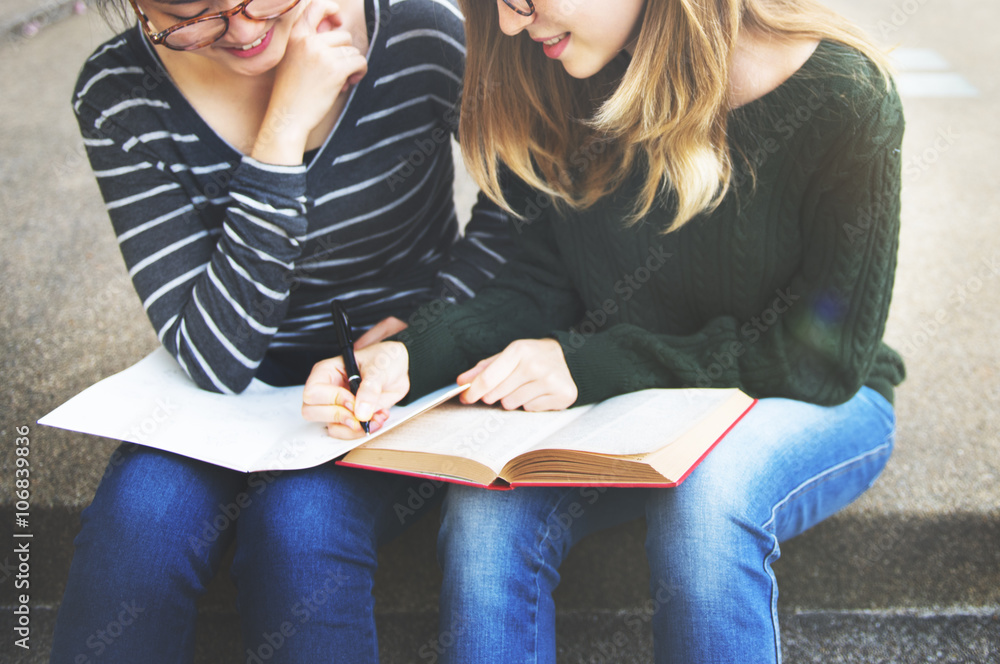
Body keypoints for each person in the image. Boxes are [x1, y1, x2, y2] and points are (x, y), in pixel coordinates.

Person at [302, 0, 907, 661]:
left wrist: (589, 365)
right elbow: (535, 284)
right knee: (485, 511)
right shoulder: (557, 69)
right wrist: (408, 357)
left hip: (804, 395)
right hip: (626, 404)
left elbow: (822, 359)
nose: (507, 25)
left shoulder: (843, 96)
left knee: (707, 503)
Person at [49, 0, 516, 661]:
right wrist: (282, 135)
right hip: (223, 396)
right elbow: (214, 359)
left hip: (388, 391)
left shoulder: (416, 33)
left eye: (253, 1)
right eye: (193, 18)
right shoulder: (120, 91)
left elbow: (525, 204)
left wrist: (430, 329)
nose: (240, 30)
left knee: (298, 523)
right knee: (140, 523)